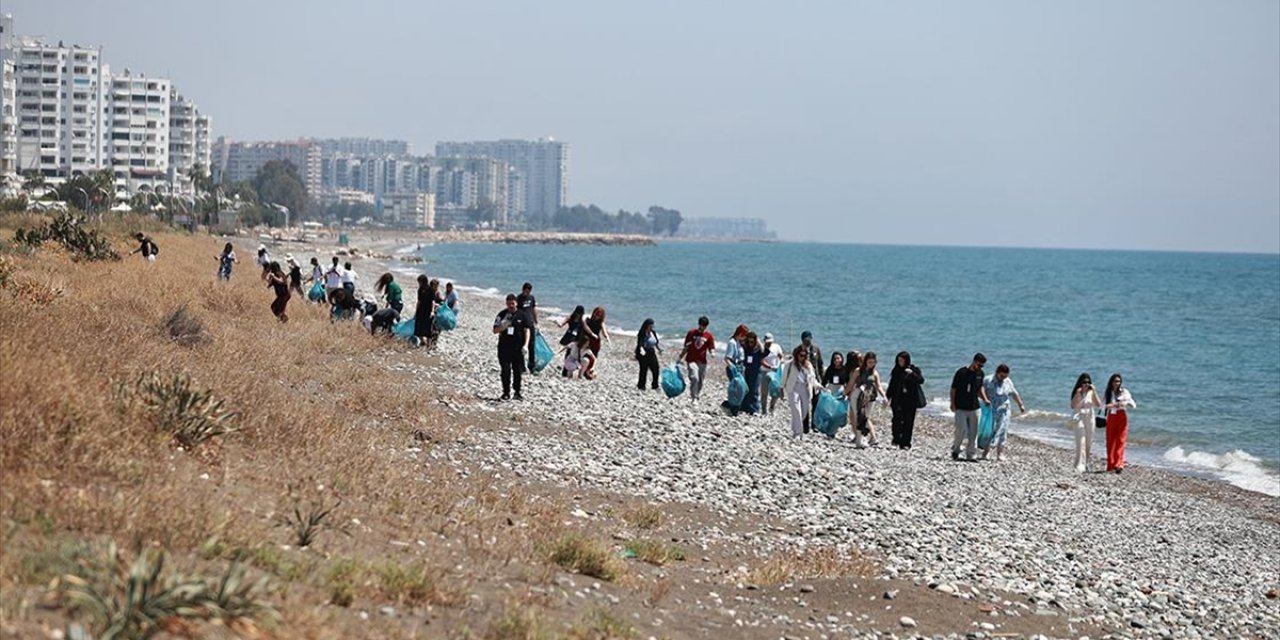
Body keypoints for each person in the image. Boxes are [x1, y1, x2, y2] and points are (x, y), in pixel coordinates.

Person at [981, 363, 1026, 461]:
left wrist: (1020, 405)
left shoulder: (1007, 381)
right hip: (991, 410)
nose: (1003, 378)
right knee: (990, 431)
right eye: (1002, 376)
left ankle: (1000, 453)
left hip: (1004, 410)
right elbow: (981, 390)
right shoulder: (988, 380)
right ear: (997, 372)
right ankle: (986, 452)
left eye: (1005, 376)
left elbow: (1014, 393)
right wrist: (984, 399)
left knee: (1003, 431)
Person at [950, 352, 990, 461]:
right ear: (974, 361)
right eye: (979, 365)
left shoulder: (980, 374)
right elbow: (953, 389)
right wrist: (952, 403)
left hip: (975, 407)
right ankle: (956, 450)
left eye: (982, 366)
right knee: (961, 430)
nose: (980, 367)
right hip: (961, 407)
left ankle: (971, 454)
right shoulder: (961, 372)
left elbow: (980, 387)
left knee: (974, 432)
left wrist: (985, 398)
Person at [886, 351, 926, 450]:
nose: (900, 362)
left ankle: (906, 442)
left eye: (902, 360)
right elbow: (892, 384)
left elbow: (921, 380)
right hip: (897, 399)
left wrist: (912, 374)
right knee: (897, 420)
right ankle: (896, 438)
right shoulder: (896, 370)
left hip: (910, 400)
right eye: (899, 360)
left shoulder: (914, 369)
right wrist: (887, 397)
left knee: (909, 422)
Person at [493, 294, 530, 400]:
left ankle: (517, 392)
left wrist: (526, 345)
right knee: (505, 370)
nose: (511, 306)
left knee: (517, 371)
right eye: (509, 304)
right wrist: (503, 325)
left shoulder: (522, 315)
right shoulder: (502, 314)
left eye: (512, 303)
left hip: (518, 348)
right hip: (504, 347)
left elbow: (527, 331)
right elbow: (495, 330)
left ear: (516, 303)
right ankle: (506, 392)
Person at [781, 346, 823, 437]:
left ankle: (795, 428)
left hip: (805, 388)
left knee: (804, 412)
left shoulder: (808, 365)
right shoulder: (789, 364)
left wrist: (818, 385)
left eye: (804, 356)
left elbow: (812, 378)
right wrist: (782, 388)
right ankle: (798, 433)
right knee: (796, 410)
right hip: (793, 388)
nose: (802, 357)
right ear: (796, 354)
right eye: (800, 355)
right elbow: (784, 377)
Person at [850, 351, 887, 448]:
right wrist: (845, 394)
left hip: (870, 397)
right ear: (865, 361)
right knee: (859, 416)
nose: (871, 364)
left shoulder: (875, 373)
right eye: (870, 362)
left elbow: (879, 386)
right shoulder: (858, 371)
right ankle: (859, 441)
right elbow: (851, 384)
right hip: (857, 396)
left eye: (873, 362)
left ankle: (865, 439)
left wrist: (884, 396)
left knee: (865, 417)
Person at [1103, 373, 1137, 474]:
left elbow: (1133, 404)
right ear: (1111, 382)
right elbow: (1103, 406)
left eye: (1118, 381)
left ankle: (1119, 464)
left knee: (1121, 441)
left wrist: (1124, 403)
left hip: (1122, 416)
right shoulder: (1108, 393)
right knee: (1110, 441)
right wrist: (1114, 405)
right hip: (1111, 417)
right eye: (1115, 381)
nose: (1116, 383)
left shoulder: (1124, 392)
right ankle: (1111, 465)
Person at [677, 316, 715, 402]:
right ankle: (694, 397)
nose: (702, 327)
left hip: (702, 361)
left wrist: (712, 352)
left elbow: (711, 346)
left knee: (700, 380)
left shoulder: (709, 336)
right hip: (691, 359)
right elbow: (686, 347)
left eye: (704, 326)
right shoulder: (691, 333)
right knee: (695, 378)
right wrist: (680, 357)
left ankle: (696, 395)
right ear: (699, 324)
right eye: (701, 325)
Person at [1070, 373, 1102, 473]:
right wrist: (1078, 394)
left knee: (1088, 442)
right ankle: (1079, 465)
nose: (1086, 384)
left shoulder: (1091, 393)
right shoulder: (1077, 392)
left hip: (1090, 417)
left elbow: (1098, 404)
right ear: (1080, 383)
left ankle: (1085, 463)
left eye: (1088, 382)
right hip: (1079, 417)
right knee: (1081, 442)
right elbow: (1072, 405)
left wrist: (1094, 391)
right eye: (1084, 382)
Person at [759, 333, 785, 415]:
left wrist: (781, 361)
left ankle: (772, 407)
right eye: (767, 342)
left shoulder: (776, 347)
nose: (769, 344)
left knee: (776, 390)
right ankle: (763, 410)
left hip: (775, 372)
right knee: (764, 392)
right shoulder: (762, 349)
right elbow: (761, 361)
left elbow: (780, 356)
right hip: (765, 372)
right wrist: (770, 367)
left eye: (770, 342)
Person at [414, 275, 443, 347]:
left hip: (428, 310)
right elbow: (419, 301)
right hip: (421, 310)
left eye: (420, 282)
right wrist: (416, 311)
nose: (419, 283)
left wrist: (432, 311)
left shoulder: (430, 290)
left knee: (428, 328)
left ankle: (428, 344)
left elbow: (433, 301)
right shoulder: (420, 290)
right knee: (418, 327)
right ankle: (422, 341)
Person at [740, 332, 765, 415]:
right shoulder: (745, 348)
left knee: (754, 390)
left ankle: (754, 409)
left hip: (756, 372)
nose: (750, 343)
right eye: (748, 341)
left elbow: (764, 351)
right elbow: (739, 341)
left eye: (752, 342)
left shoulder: (758, 349)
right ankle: (745, 407)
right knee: (745, 389)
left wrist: (759, 341)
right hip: (747, 370)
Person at [516, 282, 538, 373]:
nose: (527, 293)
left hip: (530, 323)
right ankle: (521, 367)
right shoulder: (519, 298)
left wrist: (536, 321)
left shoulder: (531, 298)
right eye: (526, 291)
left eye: (528, 291)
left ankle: (531, 366)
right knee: (521, 345)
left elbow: (533, 309)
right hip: (522, 324)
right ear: (523, 289)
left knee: (531, 346)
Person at [635, 319, 661, 390]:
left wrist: (659, 349)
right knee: (644, 369)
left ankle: (655, 385)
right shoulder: (642, 333)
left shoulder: (653, 332)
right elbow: (640, 343)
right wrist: (641, 349)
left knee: (656, 368)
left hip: (651, 352)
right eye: (650, 325)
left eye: (652, 325)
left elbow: (656, 342)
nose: (652, 327)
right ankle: (641, 385)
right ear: (647, 325)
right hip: (643, 353)